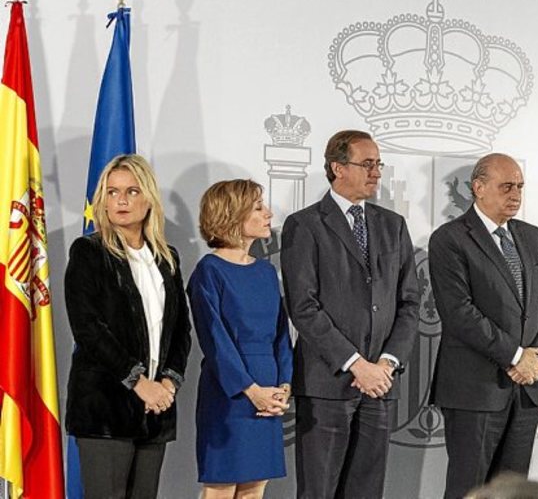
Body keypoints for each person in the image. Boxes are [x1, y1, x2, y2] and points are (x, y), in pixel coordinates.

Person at [280, 129, 420, 498]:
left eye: (379, 164)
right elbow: (303, 307)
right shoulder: (305, 225)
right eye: (367, 164)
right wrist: (357, 364)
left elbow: (409, 302)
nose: (376, 173)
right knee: (319, 490)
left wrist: (386, 364)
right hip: (327, 385)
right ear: (337, 168)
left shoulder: (393, 225)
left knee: (366, 491)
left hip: (380, 385)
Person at [428, 152, 538, 499]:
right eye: (506, 186)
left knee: (515, 492)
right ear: (479, 187)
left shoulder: (531, 236)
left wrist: (534, 360)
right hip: (475, 390)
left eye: (520, 186)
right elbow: (459, 313)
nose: (516, 194)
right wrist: (516, 356)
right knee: (470, 490)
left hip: (526, 390)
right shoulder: (450, 239)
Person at [65, 154, 192, 499]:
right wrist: (139, 382)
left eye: (132, 191)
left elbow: (180, 330)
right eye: (113, 192)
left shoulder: (167, 257)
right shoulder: (89, 252)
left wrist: (168, 383)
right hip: (105, 410)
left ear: (148, 198)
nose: (121, 200)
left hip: (155, 410)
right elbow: (88, 328)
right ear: (103, 201)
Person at [186, 179, 293, 499]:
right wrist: (252, 391)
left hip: (269, 392)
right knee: (222, 486)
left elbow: (281, 333)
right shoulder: (209, 271)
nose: (269, 213)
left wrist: (284, 385)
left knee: (254, 488)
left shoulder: (266, 272)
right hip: (229, 393)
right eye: (258, 207)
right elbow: (215, 341)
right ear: (231, 215)